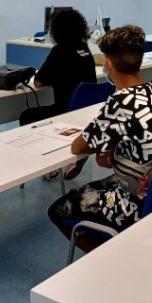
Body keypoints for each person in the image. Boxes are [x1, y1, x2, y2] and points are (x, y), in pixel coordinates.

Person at [48, 25, 152, 231]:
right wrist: (113, 146)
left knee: (58, 208)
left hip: (137, 201)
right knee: (100, 183)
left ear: (108, 64)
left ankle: (104, 250)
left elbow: (78, 147)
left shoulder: (121, 101)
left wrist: (105, 145)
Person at [32, 9, 97, 180]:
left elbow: (38, 82)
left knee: (28, 116)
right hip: (86, 113)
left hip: (64, 113)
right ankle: (72, 155)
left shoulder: (59, 51)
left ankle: (49, 164)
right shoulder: (85, 49)